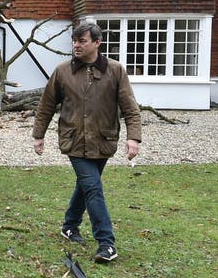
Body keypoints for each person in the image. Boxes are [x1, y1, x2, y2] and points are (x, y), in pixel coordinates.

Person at [32, 20, 141, 263]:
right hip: (74, 140)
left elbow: (130, 108)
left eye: (82, 41)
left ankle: (70, 225)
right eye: (74, 41)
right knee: (93, 186)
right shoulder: (62, 71)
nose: (76, 45)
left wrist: (133, 138)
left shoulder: (115, 70)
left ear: (97, 43)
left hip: (103, 140)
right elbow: (46, 105)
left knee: (86, 186)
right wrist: (39, 135)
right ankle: (106, 243)